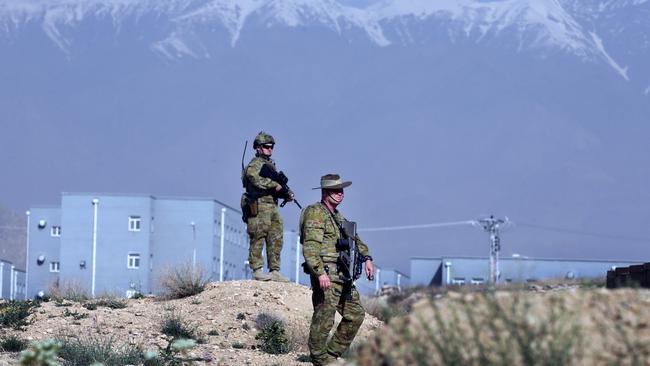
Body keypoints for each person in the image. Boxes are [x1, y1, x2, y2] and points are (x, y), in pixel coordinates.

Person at [300, 174, 375, 365]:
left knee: (356, 314)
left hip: (343, 275)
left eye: (341, 190)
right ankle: (318, 358)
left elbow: (355, 239)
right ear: (325, 192)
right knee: (324, 317)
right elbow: (310, 247)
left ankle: (331, 355)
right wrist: (319, 273)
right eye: (335, 190)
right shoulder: (316, 212)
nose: (340, 194)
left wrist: (367, 258)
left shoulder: (337, 216)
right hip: (327, 274)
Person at [241, 131, 292, 282]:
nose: (269, 149)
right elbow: (253, 178)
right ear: (258, 148)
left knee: (276, 237)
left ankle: (274, 270)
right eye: (266, 147)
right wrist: (273, 184)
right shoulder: (255, 164)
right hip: (260, 204)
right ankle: (257, 269)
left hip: (272, 206)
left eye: (271, 147)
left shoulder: (270, 165)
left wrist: (285, 194)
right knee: (258, 235)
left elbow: (276, 188)